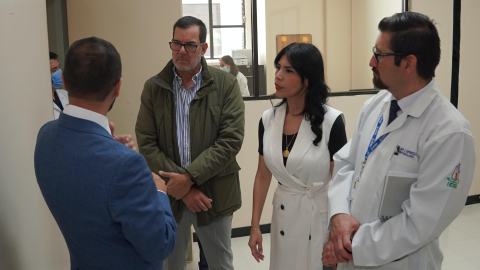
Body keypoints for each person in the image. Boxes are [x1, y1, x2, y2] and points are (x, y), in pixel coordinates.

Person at [323, 12, 476, 270]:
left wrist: (352, 246)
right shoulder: (375, 105)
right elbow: (346, 163)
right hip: (351, 252)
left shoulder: (449, 133)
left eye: (379, 55)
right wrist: (339, 215)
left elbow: (421, 223)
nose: (371, 61)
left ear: (408, 64)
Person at [35, 37, 176, 270]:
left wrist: (109, 147)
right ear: (118, 87)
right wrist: (159, 191)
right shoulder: (127, 166)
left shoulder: (45, 136)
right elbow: (160, 245)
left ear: (66, 82)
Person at [135, 16, 245, 270]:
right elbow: (147, 143)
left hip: (214, 194)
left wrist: (189, 179)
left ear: (204, 48)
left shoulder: (226, 85)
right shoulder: (154, 87)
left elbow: (230, 141)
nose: (182, 51)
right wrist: (182, 188)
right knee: (170, 263)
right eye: (176, 43)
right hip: (170, 197)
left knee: (220, 263)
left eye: (190, 45)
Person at [248, 42, 347, 270]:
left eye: (288, 70)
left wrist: (337, 234)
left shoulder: (332, 121)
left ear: (308, 79)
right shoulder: (268, 120)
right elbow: (263, 176)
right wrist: (255, 227)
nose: (278, 76)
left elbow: (342, 182)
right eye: (278, 68)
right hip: (284, 214)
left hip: (319, 219)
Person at [50, 51, 69, 119]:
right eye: (54, 70)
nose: (60, 73)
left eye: (59, 67)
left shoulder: (66, 94)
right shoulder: (40, 100)